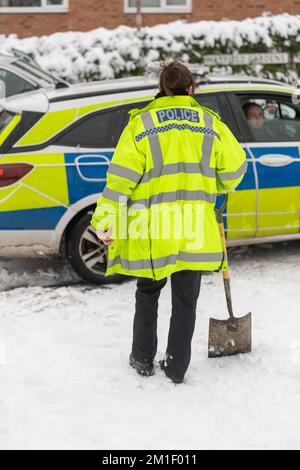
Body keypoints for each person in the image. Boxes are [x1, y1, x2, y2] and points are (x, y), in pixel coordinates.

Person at [90, 60, 247, 384]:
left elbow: (120, 180)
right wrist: (210, 186)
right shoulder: (210, 123)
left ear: (162, 89)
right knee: (186, 301)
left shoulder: (141, 125)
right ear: (190, 89)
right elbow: (234, 171)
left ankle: (143, 358)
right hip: (194, 229)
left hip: (153, 233)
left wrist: (105, 222)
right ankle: (176, 367)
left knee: (147, 293)